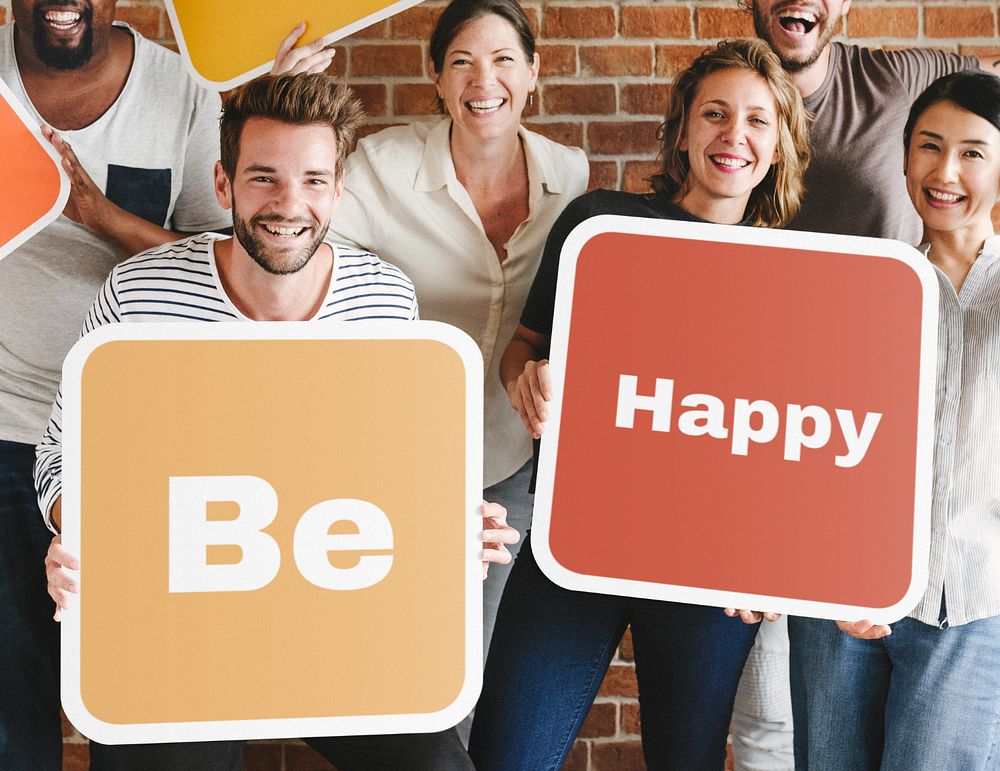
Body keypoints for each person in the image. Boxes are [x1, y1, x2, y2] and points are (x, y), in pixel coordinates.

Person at [36, 71, 519, 771]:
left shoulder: (383, 300)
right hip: (187, 630)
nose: (289, 204)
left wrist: (444, 523)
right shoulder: (142, 294)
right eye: (264, 178)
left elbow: (396, 467)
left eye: (314, 181)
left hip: (331, 625)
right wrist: (76, 528)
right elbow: (62, 451)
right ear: (225, 184)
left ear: (338, 191)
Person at [0, 4, 338, 764]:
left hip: (150, 443)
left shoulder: (180, 87)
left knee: (152, 715)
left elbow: (229, 254)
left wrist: (97, 214)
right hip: (8, 425)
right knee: (10, 713)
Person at [467, 38, 811, 771]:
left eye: (756, 121)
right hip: (579, 534)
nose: (733, 136)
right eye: (715, 114)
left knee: (684, 759)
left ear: (779, 145)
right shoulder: (601, 226)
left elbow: (790, 437)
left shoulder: (795, 276)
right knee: (505, 755)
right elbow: (522, 349)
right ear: (683, 129)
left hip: (707, 560)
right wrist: (525, 380)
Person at [735, 5, 997, 767]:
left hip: (970, 605)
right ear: (904, 158)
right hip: (839, 605)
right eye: (929, 148)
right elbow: (810, 444)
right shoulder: (866, 288)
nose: (945, 174)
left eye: (973, 153)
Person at [328, 0, 589, 710]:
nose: (485, 79)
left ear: (533, 72)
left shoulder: (570, 174)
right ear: (436, 78)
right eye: (463, 62)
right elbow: (298, 267)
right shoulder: (379, 166)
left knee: (473, 667)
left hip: (505, 464)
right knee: (391, 657)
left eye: (505, 59)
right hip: (391, 460)